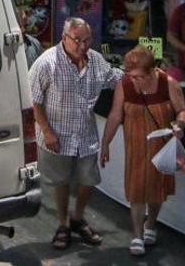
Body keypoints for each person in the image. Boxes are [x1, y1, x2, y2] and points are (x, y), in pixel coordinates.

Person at [29, 17, 123, 250]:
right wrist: (47, 131)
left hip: (85, 135)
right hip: (56, 135)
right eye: (77, 40)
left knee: (89, 180)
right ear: (64, 38)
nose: (82, 45)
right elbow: (34, 102)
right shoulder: (46, 63)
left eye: (87, 40)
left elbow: (116, 78)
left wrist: (146, 73)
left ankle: (78, 218)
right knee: (60, 182)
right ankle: (63, 223)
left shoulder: (96, 60)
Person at [101, 46, 185, 256]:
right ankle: (137, 234)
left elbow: (183, 111)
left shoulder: (168, 84)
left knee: (156, 189)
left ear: (152, 71)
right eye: (131, 76)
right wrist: (105, 143)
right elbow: (115, 115)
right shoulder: (124, 85)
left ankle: (151, 224)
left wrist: (179, 125)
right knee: (137, 189)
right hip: (136, 145)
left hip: (161, 146)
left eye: (139, 77)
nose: (134, 81)